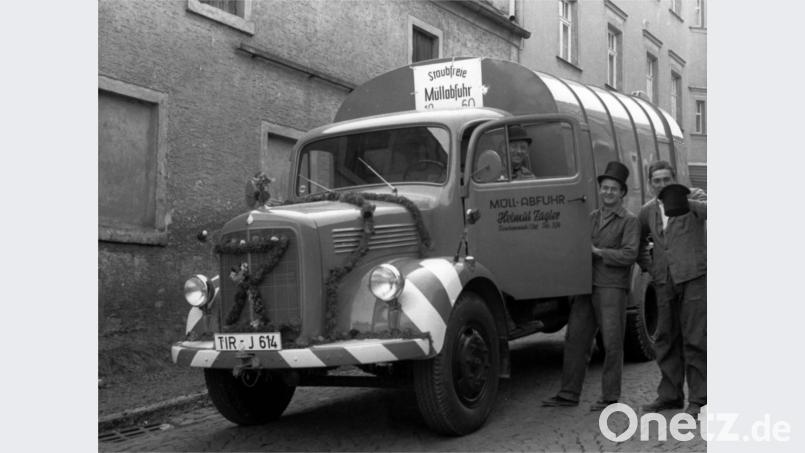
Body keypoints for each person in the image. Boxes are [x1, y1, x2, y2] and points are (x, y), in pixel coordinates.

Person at [542, 161, 639, 411]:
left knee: (612, 342)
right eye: (605, 188)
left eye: (613, 189)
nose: (608, 193)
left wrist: (598, 252)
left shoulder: (629, 221)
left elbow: (629, 255)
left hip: (612, 287)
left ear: (622, 193)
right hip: (585, 286)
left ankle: (610, 398)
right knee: (576, 339)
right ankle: (568, 393)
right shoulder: (592, 218)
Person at [637, 160, 707, 416]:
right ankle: (669, 395)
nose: (662, 185)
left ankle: (699, 399)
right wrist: (651, 267)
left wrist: (688, 202)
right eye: (657, 180)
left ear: (675, 179)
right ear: (650, 184)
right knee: (666, 339)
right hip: (664, 282)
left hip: (694, 278)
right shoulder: (647, 211)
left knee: (695, 338)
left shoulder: (693, 197)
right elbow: (639, 242)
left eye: (666, 180)